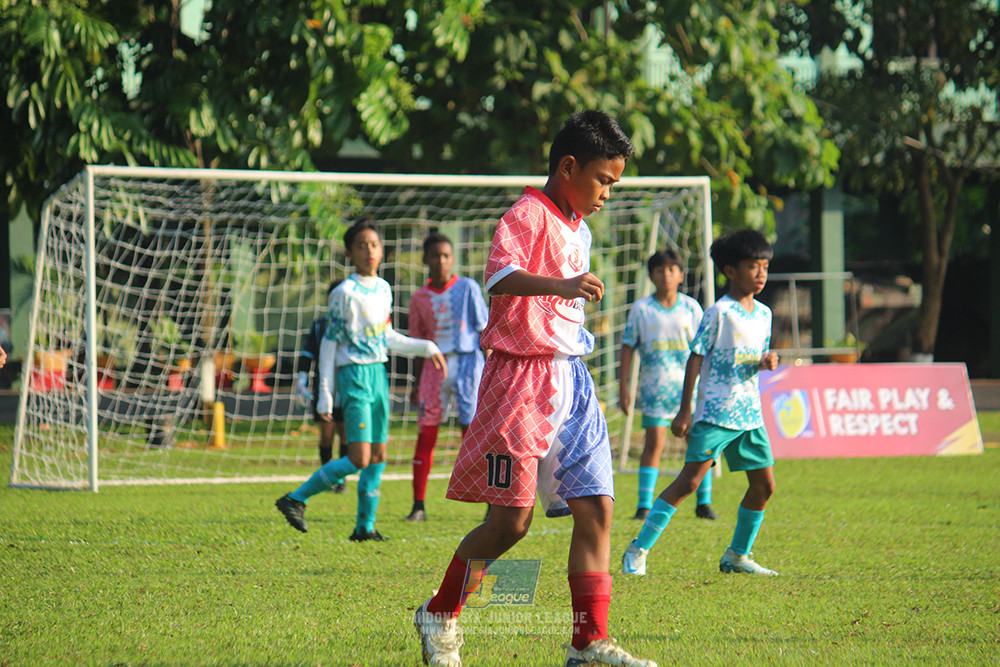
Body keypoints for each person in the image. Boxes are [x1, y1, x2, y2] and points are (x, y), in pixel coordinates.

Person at [413, 110, 657, 667]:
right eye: (603, 180)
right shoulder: (525, 214)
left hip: (571, 376)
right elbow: (498, 277)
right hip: (519, 381)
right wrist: (563, 284)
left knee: (597, 507)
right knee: (510, 524)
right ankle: (440, 613)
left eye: (614, 184)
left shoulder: (581, 227)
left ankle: (588, 642)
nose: (607, 194)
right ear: (568, 166)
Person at [275, 220, 448, 541]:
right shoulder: (344, 293)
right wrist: (325, 395)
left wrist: (425, 346)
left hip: (377, 374)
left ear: (382, 249)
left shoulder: (383, 288)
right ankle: (296, 498)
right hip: (353, 376)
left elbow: (386, 337)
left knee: (379, 455)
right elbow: (329, 346)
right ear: (350, 253)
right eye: (362, 245)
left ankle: (365, 527)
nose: (369, 250)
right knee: (359, 457)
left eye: (374, 244)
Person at [621, 229, 780, 577]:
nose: (761, 273)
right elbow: (696, 356)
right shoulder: (718, 313)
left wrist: (766, 360)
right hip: (717, 412)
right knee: (688, 483)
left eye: (765, 266)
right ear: (730, 271)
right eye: (753, 266)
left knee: (764, 486)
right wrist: (685, 409)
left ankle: (737, 555)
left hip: (750, 415)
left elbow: (752, 355)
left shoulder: (765, 314)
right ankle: (638, 549)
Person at [619, 249, 716, 522]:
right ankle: (643, 505)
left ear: (681, 275)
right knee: (654, 444)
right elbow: (627, 347)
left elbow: (703, 349)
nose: (666, 275)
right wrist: (623, 386)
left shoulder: (691, 308)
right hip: (654, 388)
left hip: (689, 389)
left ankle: (703, 502)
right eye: (660, 270)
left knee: (697, 444)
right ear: (651, 276)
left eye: (672, 270)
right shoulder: (642, 309)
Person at [406, 233, 489, 523]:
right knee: (426, 434)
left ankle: (491, 503)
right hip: (433, 367)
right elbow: (417, 343)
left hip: (468, 364)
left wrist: (491, 373)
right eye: (436, 256)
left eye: (446, 255)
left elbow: (484, 331)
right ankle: (418, 505)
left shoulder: (468, 288)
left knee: (475, 434)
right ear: (425, 260)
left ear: (452, 258)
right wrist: (416, 382)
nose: (441, 261)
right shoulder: (418, 298)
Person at [296, 279, 348, 492]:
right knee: (326, 434)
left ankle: (341, 479)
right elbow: (307, 355)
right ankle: (327, 475)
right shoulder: (320, 325)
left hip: (347, 385)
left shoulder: (354, 324)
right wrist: (301, 380)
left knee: (346, 434)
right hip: (325, 386)